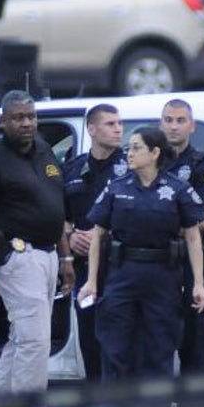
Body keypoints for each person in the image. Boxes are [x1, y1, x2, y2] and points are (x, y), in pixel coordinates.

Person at [77, 126, 204, 379]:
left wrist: (199, 284)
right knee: (116, 345)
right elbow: (97, 236)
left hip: (163, 276)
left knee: (159, 344)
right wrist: (92, 281)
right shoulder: (117, 187)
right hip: (122, 273)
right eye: (129, 148)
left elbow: (193, 237)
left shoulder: (177, 189)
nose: (130, 153)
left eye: (137, 147)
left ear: (155, 152)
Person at [0, 92, 75, 398]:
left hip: (49, 255)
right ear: (4, 122)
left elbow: (55, 207)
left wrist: (66, 258)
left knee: (22, 340)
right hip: (17, 257)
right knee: (35, 341)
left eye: (30, 116)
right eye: (18, 118)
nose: (26, 123)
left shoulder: (44, 149)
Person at [160, 98, 204, 375]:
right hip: (156, 262)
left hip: (192, 263)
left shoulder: (203, 166)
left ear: (192, 126)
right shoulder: (148, 160)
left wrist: (153, 221)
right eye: (168, 120)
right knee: (157, 338)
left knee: (194, 340)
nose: (173, 127)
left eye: (180, 121)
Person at [63, 104, 126, 382]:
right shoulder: (74, 168)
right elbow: (59, 215)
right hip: (84, 270)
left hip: (120, 267)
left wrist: (103, 237)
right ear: (91, 129)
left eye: (119, 123)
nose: (118, 129)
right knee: (89, 340)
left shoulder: (131, 167)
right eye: (110, 124)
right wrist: (70, 236)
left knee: (119, 342)